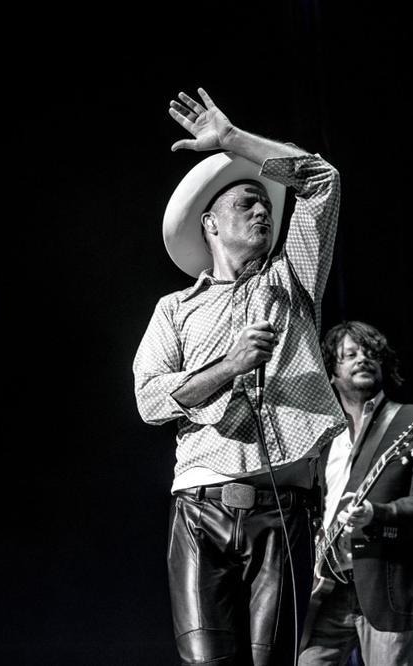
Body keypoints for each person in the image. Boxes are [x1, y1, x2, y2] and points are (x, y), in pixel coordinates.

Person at [133, 87, 346, 665]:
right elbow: (151, 400)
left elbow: (321, 180)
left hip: (283, 510)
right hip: (199, 508)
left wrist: (232, 142)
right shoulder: (173, 310)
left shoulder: (292, 278)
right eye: (248, 202)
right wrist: (228, 366)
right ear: (210, 225)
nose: (262, 212)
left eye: (266, 206)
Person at [298, 321, 413, 665]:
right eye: (349, 355)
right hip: (328, 589)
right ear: (332, 375)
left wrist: (377, 514)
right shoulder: (322, 441)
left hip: (387, 586)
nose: (363, 359)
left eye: (370, 353)